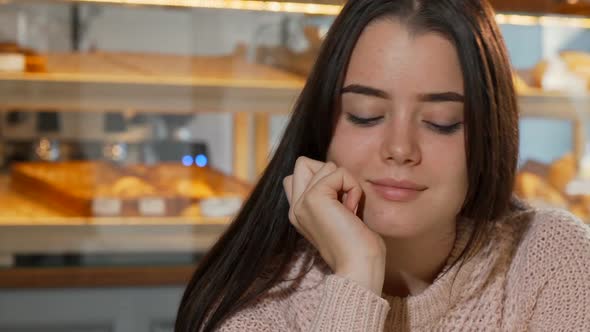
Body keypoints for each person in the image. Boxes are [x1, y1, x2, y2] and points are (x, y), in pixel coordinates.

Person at [175, 0, 590, 331]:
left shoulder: (555, 261)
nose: (399, 148)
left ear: (488, 136)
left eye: (441, 122)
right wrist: (357, 277)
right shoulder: (259, 308)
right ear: (324, 125)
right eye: (366, 114)